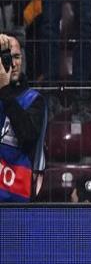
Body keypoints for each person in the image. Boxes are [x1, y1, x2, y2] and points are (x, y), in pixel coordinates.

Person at [0, 32, 45, 202]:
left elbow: (28, 136)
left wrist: (5, 90)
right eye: (6, 57)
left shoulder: (33, 99)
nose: (13, 64)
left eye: (17, 57)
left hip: (16, 197)